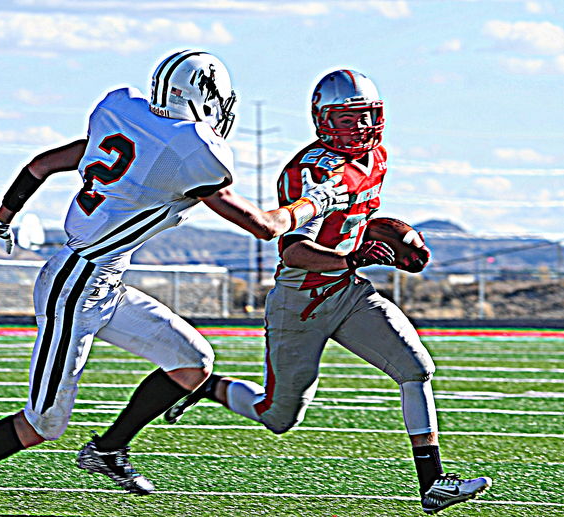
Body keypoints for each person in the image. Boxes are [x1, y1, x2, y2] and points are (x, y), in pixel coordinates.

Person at [0, 50, 349, 516]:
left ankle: (108, 450)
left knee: (193, 363)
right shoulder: (189, 151)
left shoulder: (123, 115)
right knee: (43, 424)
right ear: (205, 98)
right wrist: (317, 201)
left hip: (104, 283)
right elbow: (266, 226)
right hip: (74, 287)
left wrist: (2, 217)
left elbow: (40, 164)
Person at [164, 68, 492, 515]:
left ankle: (433, 484)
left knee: (416, 368)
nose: (360, 127)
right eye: (347, 118)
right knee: (279, 417)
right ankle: (208, 387)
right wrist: (355, 257)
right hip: (301, 299)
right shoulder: (310, 172)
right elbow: (295, 251)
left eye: (367, 116)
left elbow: (357, 221)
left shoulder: (377, 159)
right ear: (322, 120)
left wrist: (394, 237)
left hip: (348, 291)